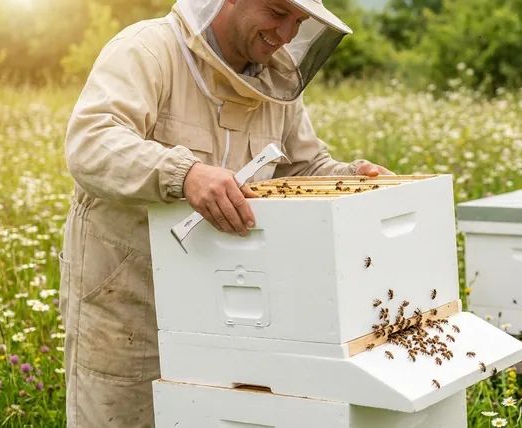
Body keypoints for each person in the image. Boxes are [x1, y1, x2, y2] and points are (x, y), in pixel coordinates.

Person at [58, 0, 393, 426]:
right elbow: (90, 144)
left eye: (298, 21)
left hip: (232, 299)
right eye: (277, 12)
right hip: (130, 294)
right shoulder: (148, 50)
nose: (287, 34)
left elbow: (299, 166)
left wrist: (350, 177)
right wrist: (185, 174)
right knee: (121, 416)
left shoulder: (275, 78)